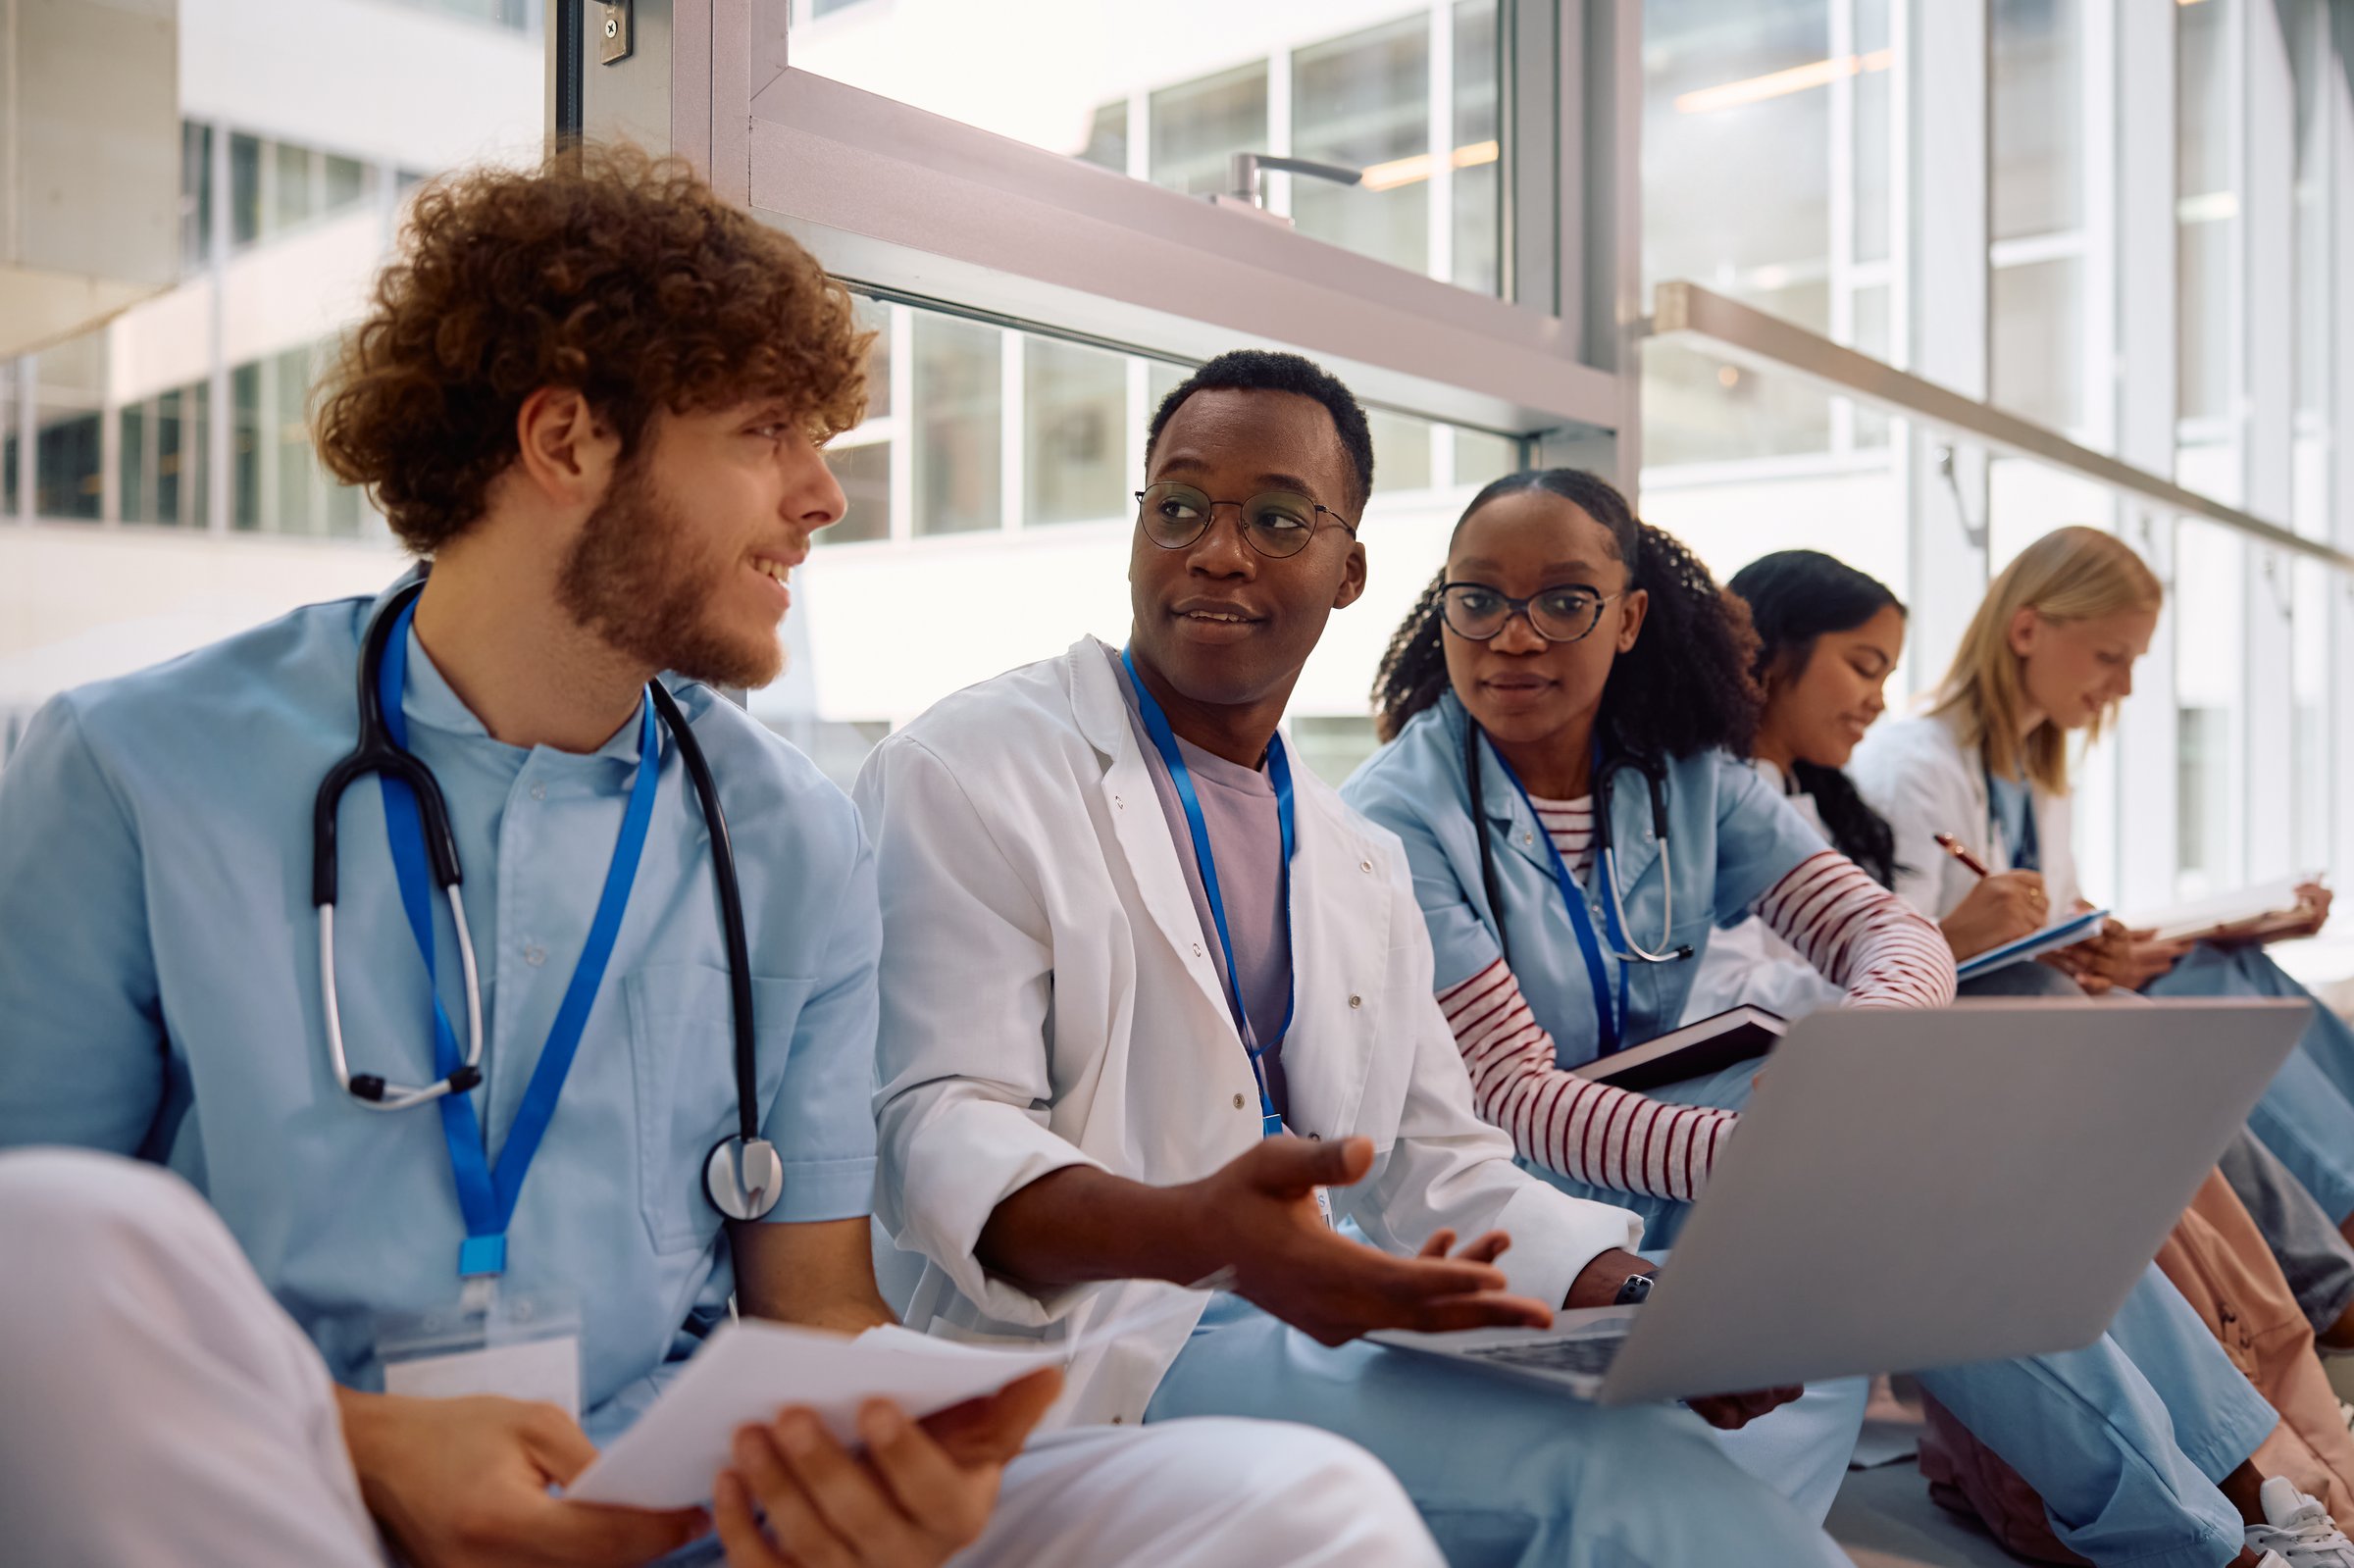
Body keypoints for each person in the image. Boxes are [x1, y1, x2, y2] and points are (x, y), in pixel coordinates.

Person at [0, 149, 1441, 1568]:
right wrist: (353, 1439)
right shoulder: (137, 768)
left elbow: (812, 1304)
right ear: (566, 442)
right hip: (292, 1498)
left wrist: (892, 1472)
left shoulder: (791, 832)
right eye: (766, 432)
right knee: (48, 1227)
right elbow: (46, 1300)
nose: (823, 495)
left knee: (1296, 1505)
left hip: (676, 1507)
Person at [857, 347, 1852, 1567]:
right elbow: (937, 1131)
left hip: (1295, 1319)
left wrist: (1633, 1304)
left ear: (1351, 571)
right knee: (1613, 1481)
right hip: (1088, 1348)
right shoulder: (971, 768)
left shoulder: (1354, 857)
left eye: (1279, 518)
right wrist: (1204, 1236)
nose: (1218, 550)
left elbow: (1439, 1164)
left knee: (1660, 1450)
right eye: (1179, 506)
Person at [1344, 498, 2347, 1568]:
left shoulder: (1684, 779)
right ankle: (2215, 1545)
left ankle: (2263, 1501)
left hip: (1676, 1143)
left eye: (1563, 601)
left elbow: (1885, 928)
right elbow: (1511, 1098)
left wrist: (1867, 1067)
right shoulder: (1403, 814)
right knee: (1912, 1186)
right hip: (1526, 1185)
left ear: (1628, 618)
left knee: (1974, 1169)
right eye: (1478, 599)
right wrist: (1800, 1154)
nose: (1513, 632)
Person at [1848, 528, 2354, 1249]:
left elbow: (2059, 919)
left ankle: (2337, 1238)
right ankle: (2337, 1256)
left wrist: (2108, 944)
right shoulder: (1911, 767)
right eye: (2111, 657)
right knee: (2207, 988)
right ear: (2026, 629)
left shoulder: (2037, 772)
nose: (2124, 686)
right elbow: (1906, 957)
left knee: (2234, 963)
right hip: (1983, 1025)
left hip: (2047, 1002)